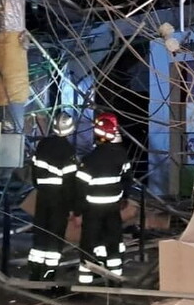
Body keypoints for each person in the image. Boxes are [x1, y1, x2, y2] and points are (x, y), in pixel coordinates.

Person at [75, 112, 132, 284]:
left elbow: (80, 188)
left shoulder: (90, 160)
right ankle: (115, 278)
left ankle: (86, 281)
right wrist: (124, 198)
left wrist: (77, 211)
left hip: (92, 209)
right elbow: (127, 180)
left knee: (89, 243)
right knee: (113, 242)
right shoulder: (121, 156)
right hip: (113, 207)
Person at [28, 111, 78, 281]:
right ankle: (48, 276)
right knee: (54, 237)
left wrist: (40, 186)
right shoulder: (68, 150)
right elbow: (70, 182)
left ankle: (34, 274)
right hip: (59, 199)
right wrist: (72, 207)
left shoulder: (43, 144)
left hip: (43, 195)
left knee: (40, 234)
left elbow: (34, 171)